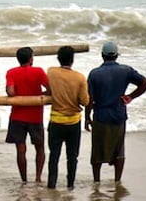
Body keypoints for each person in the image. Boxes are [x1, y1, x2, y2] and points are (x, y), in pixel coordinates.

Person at [84, 41, 146, 183]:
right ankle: (117, 180)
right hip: (119, 115)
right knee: (119, 150)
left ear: (102, 56)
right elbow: (145, 83)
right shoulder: (126, 70)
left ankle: (97, 181)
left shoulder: (95, 74)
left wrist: (87, 117)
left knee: (97, 151)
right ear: (116, 56)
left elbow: (89, 98)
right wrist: (130, 96)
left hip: (101, 116)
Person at [46, 46, 89, 189]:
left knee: (54, 155)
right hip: (73, 122)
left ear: (58, 59)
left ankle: (51, 185)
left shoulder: (51, 72)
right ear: (72, 60)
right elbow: (85, 101)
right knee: (72, 157)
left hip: (56, 120)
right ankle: (70, 185)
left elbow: (50, 89)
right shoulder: (80, 77)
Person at [5, 47, 50, 184]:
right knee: (40, 147)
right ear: (31, 59)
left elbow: (11, 92)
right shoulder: (38, 71)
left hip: (17, 115)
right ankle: (38, 178)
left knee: (20, 149)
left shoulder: (11, 72)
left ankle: (24, 179)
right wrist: (41, 95)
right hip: (35, 115)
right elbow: (50, 89)